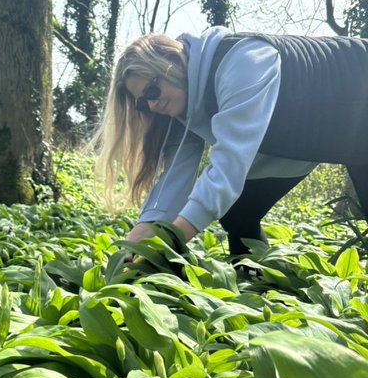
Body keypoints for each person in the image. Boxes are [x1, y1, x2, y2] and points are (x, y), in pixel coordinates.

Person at [94, 26, 368, 260]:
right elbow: (175, 176)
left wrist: (171, 243)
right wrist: (139, 237)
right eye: (143, 102)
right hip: (311, 141)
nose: (152, 104)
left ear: (171, 61)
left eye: (152, 90)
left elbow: (229, 166)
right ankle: (257, 288)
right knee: (237, 213)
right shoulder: (183, 108)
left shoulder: (243, 62)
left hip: (359, 109)